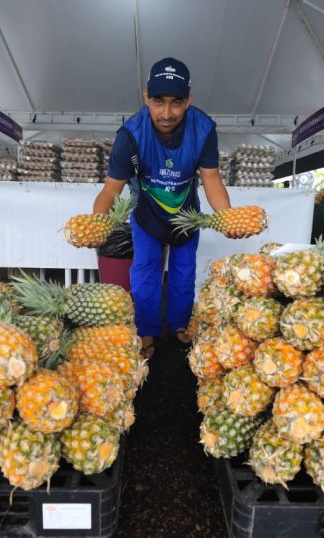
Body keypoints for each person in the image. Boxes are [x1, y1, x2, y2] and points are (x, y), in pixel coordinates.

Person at [92, 57, 235, 359]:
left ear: (189, 100)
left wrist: (227, 218)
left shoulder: (203, 128)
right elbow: (110, 190)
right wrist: (96, 225)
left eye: (176, 103)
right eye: (158, 101)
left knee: (184, 272)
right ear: (146, 97)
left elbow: (210, 178)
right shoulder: (130, 134)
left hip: (186, 214)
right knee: (145, 272)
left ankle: (179, 326)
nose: (166, 113)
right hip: (147, 213)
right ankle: (147, 332)